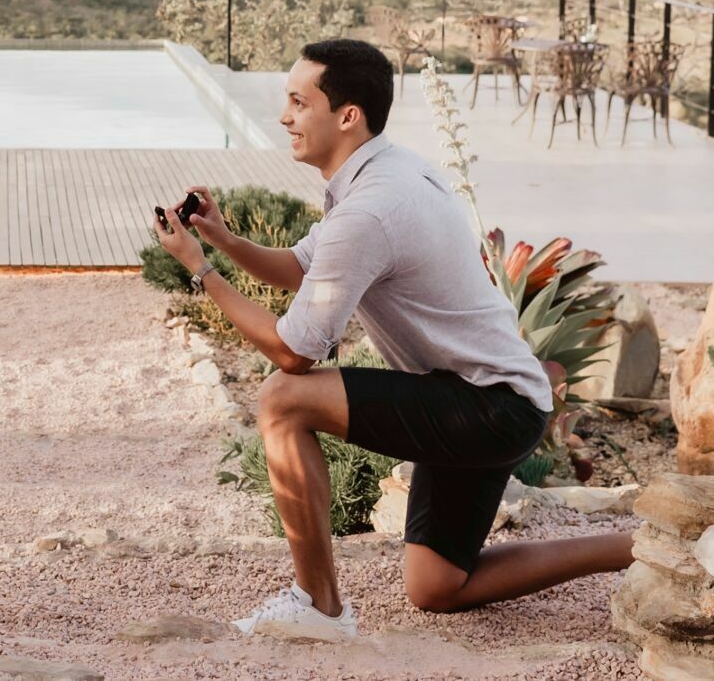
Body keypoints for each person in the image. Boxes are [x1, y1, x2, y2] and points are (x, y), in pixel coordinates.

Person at [151, 38, 632, 641]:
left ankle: (318, 605)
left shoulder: (370, 209)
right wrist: (222, 239)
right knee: (435, 588)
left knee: (280, 399)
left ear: (347, 115)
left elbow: (292, 353)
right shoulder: (386, 171)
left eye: (299, 103)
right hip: (496, 398)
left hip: (487, 405)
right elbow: (301, 264)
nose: (284, 117)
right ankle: (630, 549)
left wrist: (201, 270)